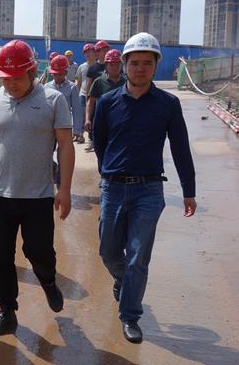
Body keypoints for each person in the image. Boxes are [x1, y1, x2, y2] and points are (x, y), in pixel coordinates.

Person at [93, 32, 197, 344]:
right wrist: (107, 173)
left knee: (138, 256)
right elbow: (100, 142)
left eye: (147, 63)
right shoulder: (108, 103)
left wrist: (189, 190)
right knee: (109, 252)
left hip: (149, 191)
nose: (140, 68)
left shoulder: (168, 104)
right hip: (113, 188)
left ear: (155, 66)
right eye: (135, 63)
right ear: (124, 65)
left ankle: (130, 316)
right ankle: (123, 281)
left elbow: (180, 148)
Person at [0, 39, 75, 337]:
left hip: (37, 196)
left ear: (31, 72)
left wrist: (65, 189)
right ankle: (6, 311)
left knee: (38, 251)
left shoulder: (53, 100)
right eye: (6, 78)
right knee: (0, 256)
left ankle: (48, 280)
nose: (11, 84)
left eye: (17, 77)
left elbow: (66, 145)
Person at [45, 54, 82, 185]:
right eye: (55, 74)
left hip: (64, 126)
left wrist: (77, 130)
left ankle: (61, 180)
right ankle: (53, 168)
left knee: (63, 154)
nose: (57, 77)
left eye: (60, 74)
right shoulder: (46, 87)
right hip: (49, 126)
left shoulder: (72, 88)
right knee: (45, 153)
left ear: (66, 72)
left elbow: (77, 109)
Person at [84, 49, 126, 145]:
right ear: (106, 65)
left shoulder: (127, 82)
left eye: (117, 64)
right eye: (111, 65)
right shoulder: (99, 82)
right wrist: (87, 119)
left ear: (121, 65)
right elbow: (91, 102)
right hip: (103, 123)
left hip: (122, 123)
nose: (115, 67)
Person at [83, 40, 110, 151]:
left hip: (109, 99)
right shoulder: (93, 68)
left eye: (106, 50)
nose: (105, 52)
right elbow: (89, 84)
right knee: (92, 119)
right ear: (97, 52)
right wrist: (87, 98)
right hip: (95, 99)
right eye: (103, 50)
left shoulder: (111, 65)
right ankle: (91, 140)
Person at [74, 43, 96, 143]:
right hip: (83, 95)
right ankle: (80, 135)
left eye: (89, 52)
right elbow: (78, 82)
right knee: (81, 115)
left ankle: (92, 138)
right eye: (85, 52)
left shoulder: (99, 66)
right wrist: (76, 95)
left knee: (93, 116)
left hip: (94, 95)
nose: (87, 54)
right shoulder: (81, 67)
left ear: (94, 52)